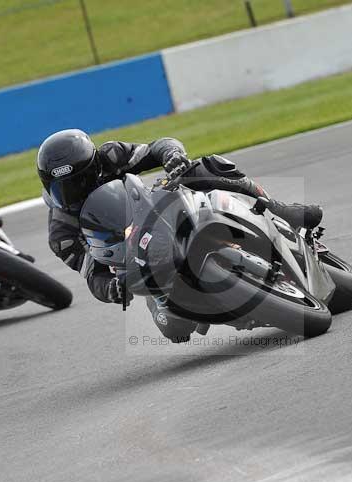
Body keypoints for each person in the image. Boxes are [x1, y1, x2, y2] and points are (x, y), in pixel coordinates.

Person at [37, 129, 322, 341]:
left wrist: (172, 157)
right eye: (64, 188)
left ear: (94, 166)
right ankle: (228, 308)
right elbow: (91, 273)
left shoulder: (110, 156)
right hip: (135, 261)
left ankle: (281, 210)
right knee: (174, 328)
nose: (74, 192)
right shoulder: (61, 234)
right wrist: (111, 288)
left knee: (205, 167)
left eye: (80, 181)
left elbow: (158, 146)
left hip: (157, 210)